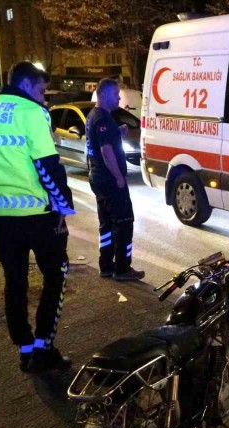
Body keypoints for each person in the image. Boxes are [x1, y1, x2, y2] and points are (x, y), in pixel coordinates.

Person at [0, 61, 75, 373]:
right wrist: (62, 206)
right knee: (56, 276)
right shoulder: (32, 112)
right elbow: (47, 166)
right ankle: (43, 347)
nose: (43, 97)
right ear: (25, 85)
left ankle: (24, 348)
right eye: (41, 90)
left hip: (3, 218)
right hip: (39, 216)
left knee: (14, 282)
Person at [86, 78, 144, 281]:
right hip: (110, 180)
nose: (119, 98)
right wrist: (119, 177)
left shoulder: (94, 115)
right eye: (115, 94)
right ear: (102, 95)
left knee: (107, 225)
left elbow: (100, 140)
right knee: (124, 223)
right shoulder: (102, 118)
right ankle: (122, 269)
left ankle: (106, 266)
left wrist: (117, 132)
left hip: (98, 178)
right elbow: (106, 151)